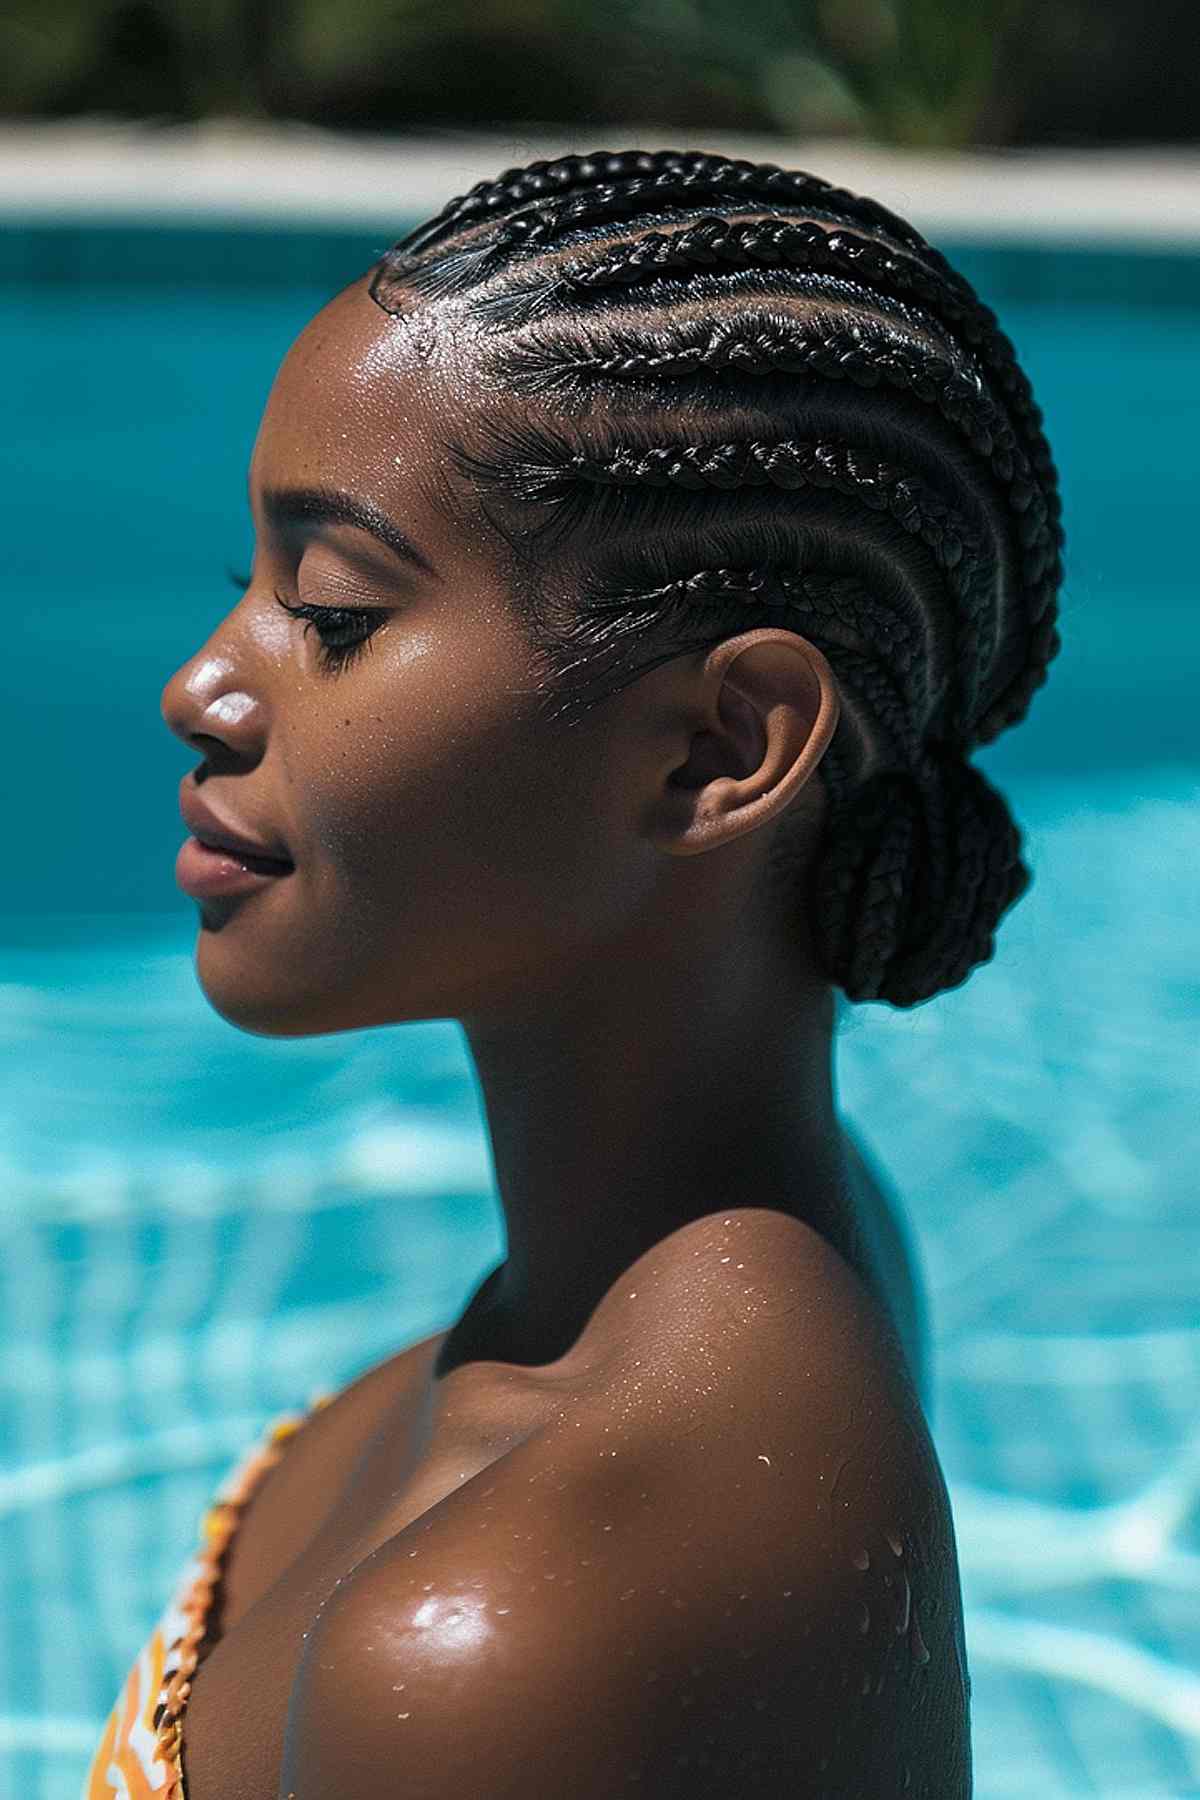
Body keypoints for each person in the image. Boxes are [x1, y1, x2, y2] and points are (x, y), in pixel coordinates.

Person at [86, 147, 1063, 1800]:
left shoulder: (501, 1652)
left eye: (330, 610)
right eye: (246, 587)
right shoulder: (796, 1261)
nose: (204, 685)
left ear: (716, 748)